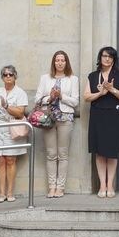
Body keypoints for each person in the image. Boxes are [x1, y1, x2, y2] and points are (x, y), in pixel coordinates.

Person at [35, 49, 81, 198]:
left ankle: (60, 187)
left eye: (62, 60)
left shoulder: (72, 79)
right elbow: (37, 99)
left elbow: (75, 101)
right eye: (57, 60)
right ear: (53, 62)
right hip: (48, 119)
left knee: (63, 154)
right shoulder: (45, 78)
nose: (60, 63)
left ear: (66, 62)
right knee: (51, 154)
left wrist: (61, 96)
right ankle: (51, 187)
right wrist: (49, 98)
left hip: (65, 118)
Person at [85, 48, 119, 198]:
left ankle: (110, 184)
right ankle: (101, 185)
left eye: (110, 57)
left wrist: (112, 89)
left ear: (114, 59)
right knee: (99, 151)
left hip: (114, 116)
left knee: (111, 151)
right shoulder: (92, 76)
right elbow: (86, 96)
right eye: (105, 56)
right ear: (100, 58)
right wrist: (100, 93)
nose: (107, 59)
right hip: (98, 115)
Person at [0, 65, 29, 202]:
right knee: (0, 159)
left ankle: (10, 192)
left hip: (13, 126)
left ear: (15, 76)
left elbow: (20, 113)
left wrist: (6, 106)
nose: (8, 77)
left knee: (11, 159)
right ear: (2, 77)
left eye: (10, 75)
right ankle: (1, 193)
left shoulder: (20, 92)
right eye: (5, 75)